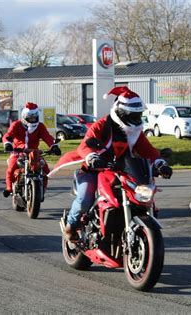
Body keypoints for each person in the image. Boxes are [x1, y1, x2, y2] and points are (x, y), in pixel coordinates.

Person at [55, 86, 172, 241]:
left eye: (138, 115)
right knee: (85, 200)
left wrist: (159, 163)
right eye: (133, 115)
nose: (136, 119)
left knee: (144, 198)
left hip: (121, 170)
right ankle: (70, 226)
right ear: (120, 113)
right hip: (93, 170)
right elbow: (85, 145)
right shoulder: (102, 125)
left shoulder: (135, 130)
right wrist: (92, 157)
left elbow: (147, 150)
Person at [2, 102, 61, 198]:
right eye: (30, 117)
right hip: (18, 152)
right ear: (24, 117)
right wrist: (7, 143)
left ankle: (42, 190)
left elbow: (47, 137)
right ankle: (9, 188)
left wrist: (53, 146)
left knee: (46, 170)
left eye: (35, 117)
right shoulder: (16, 125)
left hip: (34, 153)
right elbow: (8, 135)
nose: (33, 119)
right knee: (11, 168)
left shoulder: (40, 126)